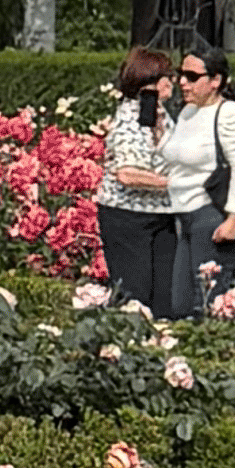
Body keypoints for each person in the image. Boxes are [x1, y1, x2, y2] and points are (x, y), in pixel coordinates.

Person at [93, 46, 185, 311]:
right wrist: (172, 184)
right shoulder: (130, 119)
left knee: (166, 298)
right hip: (127, 217)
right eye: (166, 75)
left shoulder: (161, 116)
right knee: (135, 297)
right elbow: (127, 174)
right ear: (149, 82)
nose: (173, 81)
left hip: (160, 215)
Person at [183, 44, 235, 306]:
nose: (183, 83)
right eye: (181, 75)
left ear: (215, 81)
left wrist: (234, 218)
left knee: (209, 299)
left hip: (214, 217)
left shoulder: (229, 113)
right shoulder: (189, 112)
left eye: (192, 77)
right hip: (187, 215)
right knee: (183, 301)